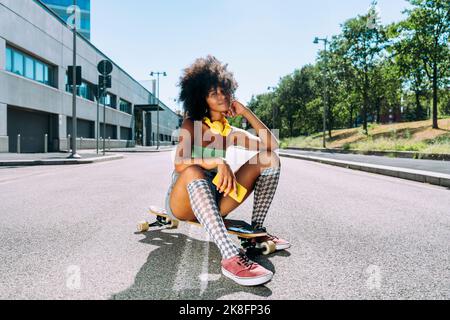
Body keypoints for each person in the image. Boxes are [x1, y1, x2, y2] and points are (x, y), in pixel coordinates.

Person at [165, 55, 290, 286]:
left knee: (268, 159)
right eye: (214, 93)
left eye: (225, 91)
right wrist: (217, 162)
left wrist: (246, 112)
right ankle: (230, 257)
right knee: (193, 170)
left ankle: (256, 232)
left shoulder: (229, 132)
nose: (222, 96)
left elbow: (273, 145)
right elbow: (180, 162)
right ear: (202, 98)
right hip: (183, 203)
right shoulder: (191, 124)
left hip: (215, 200)